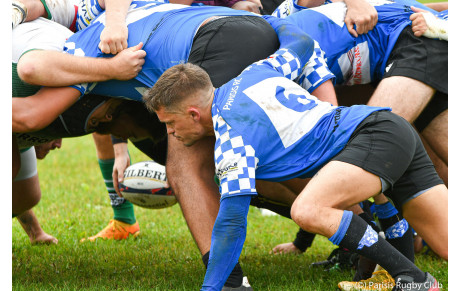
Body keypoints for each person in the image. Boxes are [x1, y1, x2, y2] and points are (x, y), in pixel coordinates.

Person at [143, 15, 447, 290]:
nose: (170, 133)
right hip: (388, 126)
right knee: (449, 245)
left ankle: (414, 279)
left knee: (307, 210)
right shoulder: (254, 72)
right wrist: (268, 21)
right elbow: (299, 42)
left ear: (194, 114)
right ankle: (394, 277)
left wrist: (212, 288)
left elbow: (231, 225)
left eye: (170, 123)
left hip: (371, 137)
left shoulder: (231, 138)